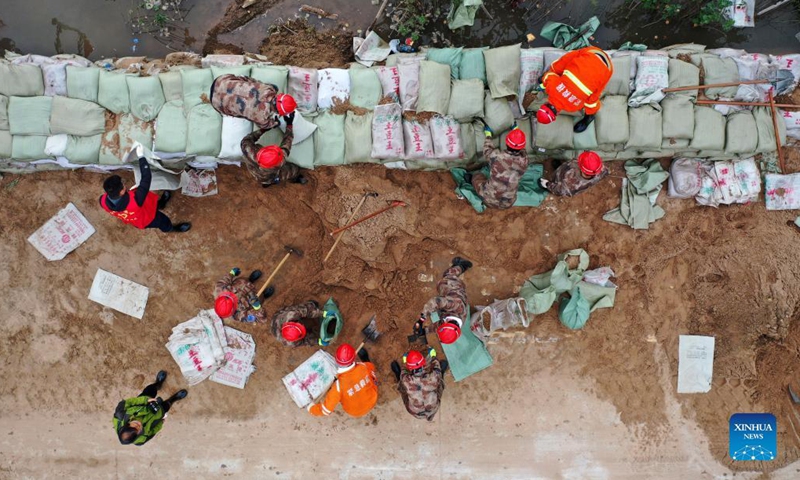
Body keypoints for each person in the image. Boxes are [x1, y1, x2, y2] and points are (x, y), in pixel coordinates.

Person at [99, 152, 191, 233]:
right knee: (162, 221)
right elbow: (146, 179)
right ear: (122, 191)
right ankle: (171, 229)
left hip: (138, 213)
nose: (124, 183)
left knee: (152, 204)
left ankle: (161, 204)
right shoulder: (135, 201)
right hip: (147, 218)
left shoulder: (103, 201)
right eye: (122, 184)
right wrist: (141, 156)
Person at [535, 46, 614, 133]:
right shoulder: (552, 87)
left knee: (592, 100)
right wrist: (543, 79)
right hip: (592, 52)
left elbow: (580, 101)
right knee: (557, 67)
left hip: (607, 69)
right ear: (545, 103)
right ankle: (590, 116)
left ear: (557, 114)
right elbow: (549, 76)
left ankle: (590, 116)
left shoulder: (573, 107)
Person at [112, 370, 188, 446]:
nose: (139, 424)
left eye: (135, 425)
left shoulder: (120, 414)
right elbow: (152, 432)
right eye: (139, 429)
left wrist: (145, 400)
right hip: (156, 415)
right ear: (137, 435)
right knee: (166, 406)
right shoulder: (141, 440)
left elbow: (127, 402)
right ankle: (173, 399)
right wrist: (160, 423)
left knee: (150, 390)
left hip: (144, 403)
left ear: (127, 424)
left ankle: (157, 384)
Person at [465, 125, 529, 210]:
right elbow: (522, 150)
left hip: (489, 200)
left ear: (506, 143)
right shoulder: (525, 161)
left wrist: (488, 135)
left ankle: (471, 181)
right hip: (508, 203)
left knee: (477, 176)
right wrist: (517, 134)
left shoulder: (496, 156)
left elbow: (487, 150)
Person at [240, 111, 308, 187]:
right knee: (293, 170)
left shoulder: (248, 150)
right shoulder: (279, 163)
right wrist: (289, 124)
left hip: (255, 172)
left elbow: (248, 139)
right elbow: (287, 142)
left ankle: (266, 183)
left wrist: (265, 129)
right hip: (269, 175)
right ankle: (295, 178)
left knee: (264, 179)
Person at [308, 344, 378, 418]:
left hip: (354, 411)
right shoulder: (363, 366)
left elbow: (325, 410)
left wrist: (311, 409)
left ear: (336, 359)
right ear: (353, 358)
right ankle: (365, 358)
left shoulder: (338, 387)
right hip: (373, 399)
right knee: (370, 371)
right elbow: (372, 367)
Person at [423, 257, 472, 345]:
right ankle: (462, 265)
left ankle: (459, 267)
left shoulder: (452, 324)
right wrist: (423, 316)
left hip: (450, 296)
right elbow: (436, 301)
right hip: (454, 288)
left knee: (444, 282)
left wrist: (425, 331)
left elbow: (439, 325)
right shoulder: (456, 306)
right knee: (448, 275)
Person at [391, 347, 448, 421]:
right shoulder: (433, 376)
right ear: (423, 363)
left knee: (402, 388)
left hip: (415, 412)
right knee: (439, 382)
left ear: (410, 367)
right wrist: (433, 356)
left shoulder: (406, 380)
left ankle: (397, 374)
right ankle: (442, 372)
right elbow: (436, 366)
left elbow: (404, 370)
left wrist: (405, 361)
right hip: (433, 409)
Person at [540, 151, 609, 197]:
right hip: (566, 169)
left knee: (556, 179)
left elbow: (559, 191)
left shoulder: (571, 185)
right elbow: (606, 172)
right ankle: (559, 166)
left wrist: (547, 184)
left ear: (582, 169)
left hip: (560, 178)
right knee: (561, 168)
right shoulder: (601, 169)